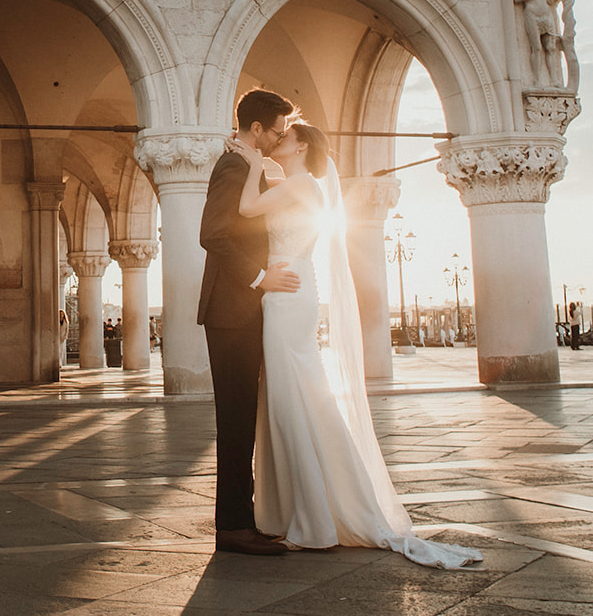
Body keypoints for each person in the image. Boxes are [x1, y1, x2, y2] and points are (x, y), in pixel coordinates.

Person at [231, 120, 482, 569]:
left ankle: (311, 517)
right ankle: (304, 509)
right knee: (294, 396)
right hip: (288, 288)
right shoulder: (294, 183)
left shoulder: (301, 183)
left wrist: (250, 160)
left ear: (301, 146)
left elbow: (248, 207)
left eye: (284, 136)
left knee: (291, 399)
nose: (276, 139)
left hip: (286, 292)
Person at [198, 88, 301, 556]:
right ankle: (234, 527)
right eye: (277, 130)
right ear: (256, 128)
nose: (281, 137)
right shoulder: (233, 165)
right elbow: (212, 234)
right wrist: (261, 277)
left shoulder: (248, 164)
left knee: (243, 419)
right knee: (236, 419)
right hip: (230, 311)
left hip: (241, 311)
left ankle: (243, 518)